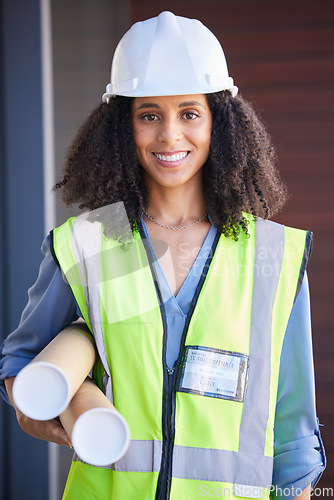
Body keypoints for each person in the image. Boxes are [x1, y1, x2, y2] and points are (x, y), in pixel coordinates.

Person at [0, 11, 326, 500]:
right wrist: (57, 420)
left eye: (190, 113)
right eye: (149, 115)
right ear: (121, 128)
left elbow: (293, 436)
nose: (170, 135)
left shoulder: (270, 254)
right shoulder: (98, 238)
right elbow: (21, 364)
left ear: (220, 122)